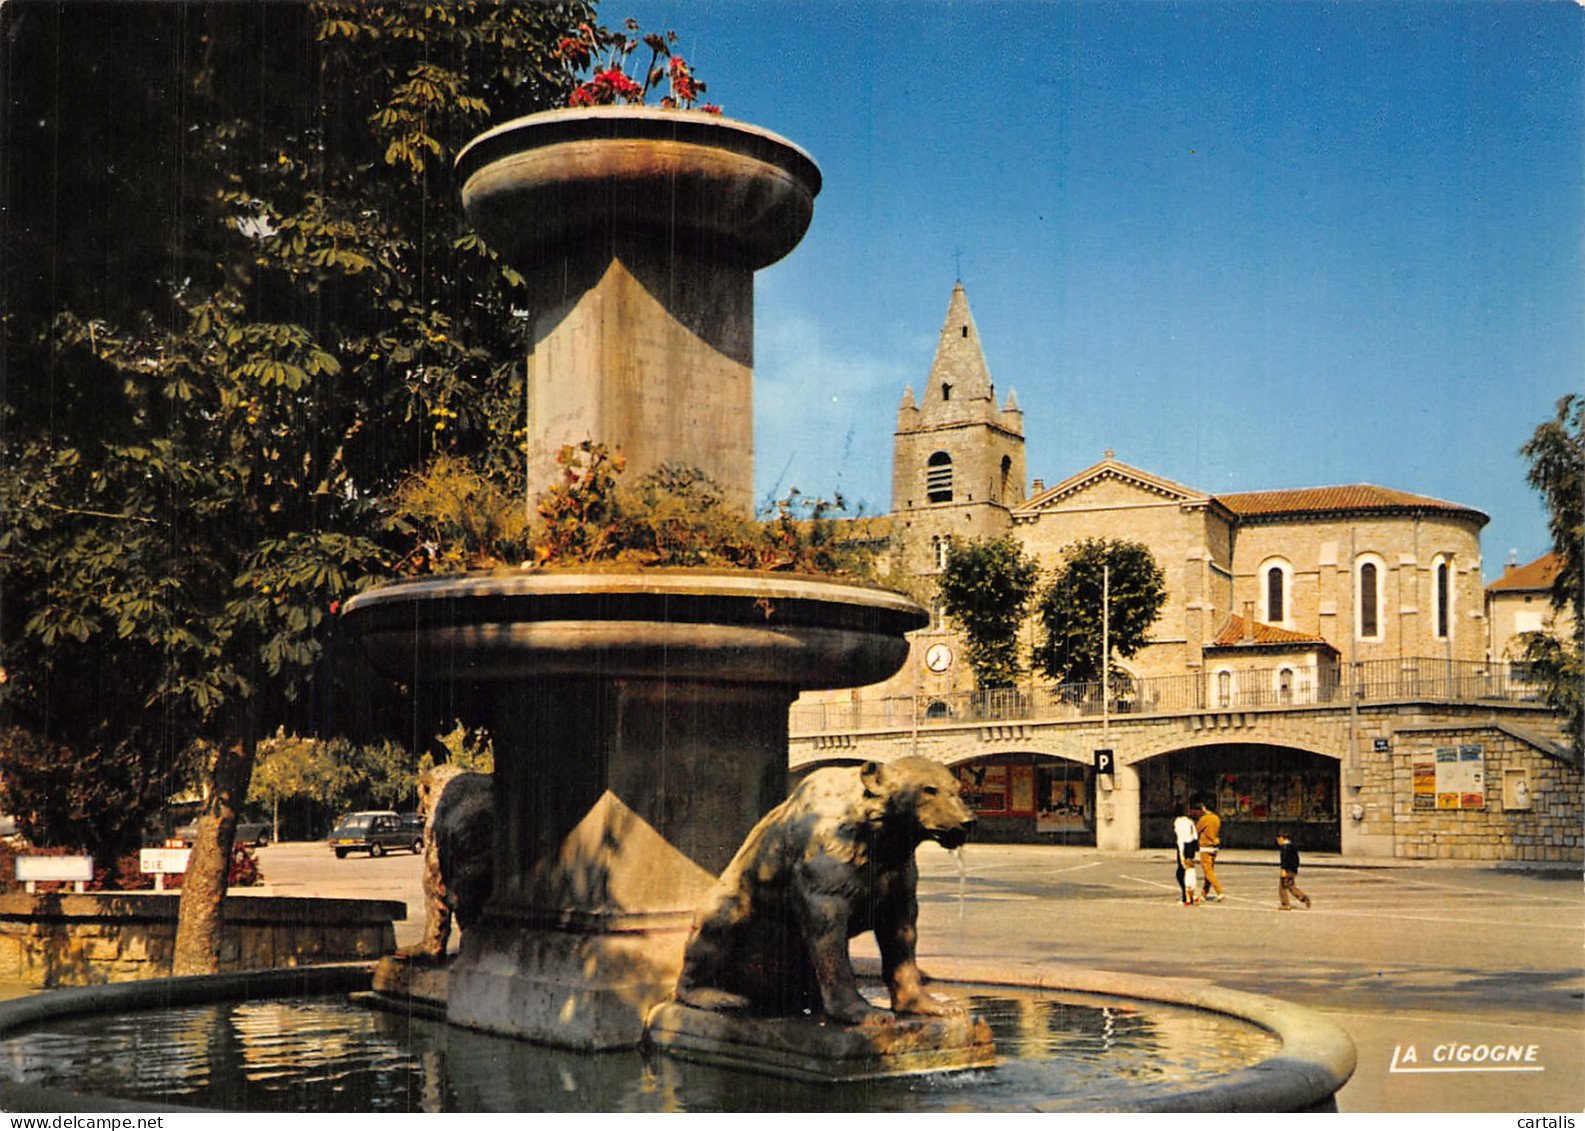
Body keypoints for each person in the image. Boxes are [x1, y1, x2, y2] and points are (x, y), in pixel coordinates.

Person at [1191, 795, 1226, 902]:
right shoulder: (1216, 818)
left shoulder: (1205, 819)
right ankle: (1204, 894)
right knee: (1209, 871)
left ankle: (1219, 891)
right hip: (1215, 846)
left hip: (1205, 846)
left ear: (1205, 808)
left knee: (1208, 872)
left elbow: (1196, 831)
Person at [1173, 801, 1200, 906]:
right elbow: (1195, 835)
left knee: (1180, 873)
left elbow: (1180, 838)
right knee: (1189, 871)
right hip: (1191, 846)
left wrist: (1180, 853)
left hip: (1183, 846)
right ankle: (1191, 894)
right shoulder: (1190, 821)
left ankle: (1186, 896)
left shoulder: (1178, 822)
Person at [1277, 831, 1312, 910]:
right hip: (1293, 870)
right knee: (1291, 886)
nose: (1278, 841)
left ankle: (1286, 904)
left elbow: (1284, 860)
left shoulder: (1284, 848)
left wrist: (1283, 869)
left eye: (1279, 839)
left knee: (1282, 887)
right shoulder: (1292, 846)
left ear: (1282, 838)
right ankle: (1303, 897)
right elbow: (1297, 859)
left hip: (1287, 870)